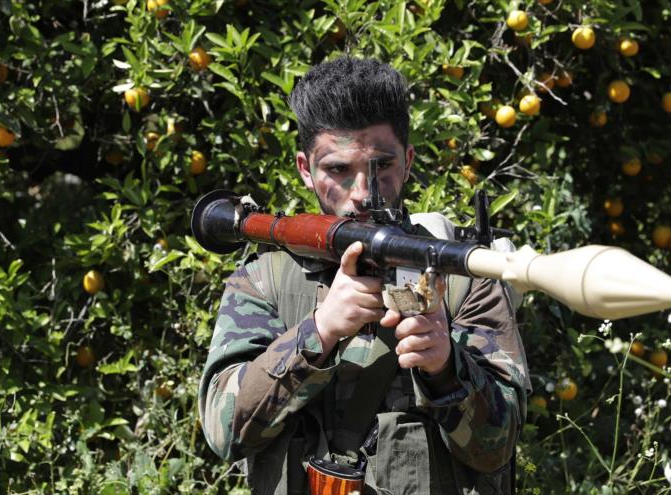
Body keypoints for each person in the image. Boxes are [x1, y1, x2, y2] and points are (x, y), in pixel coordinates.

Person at [198, 56, 531, 494]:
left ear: (408, 161)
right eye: (338, 169)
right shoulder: (266, 280)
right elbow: (226, 433)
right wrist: (319, 332)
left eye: (381, 166)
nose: (361, 193)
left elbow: (498, 447)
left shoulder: (464, 275)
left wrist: (445, 368)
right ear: (305, 169)